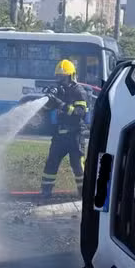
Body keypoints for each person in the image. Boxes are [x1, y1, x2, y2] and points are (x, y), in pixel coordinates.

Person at [40, 59, 89, 199]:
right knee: (51, 163)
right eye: (58, 77)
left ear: (71, 76)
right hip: (59, 135)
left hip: (75, 135)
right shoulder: (59, 91)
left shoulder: (78, 91)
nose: (60, 80)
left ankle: (83, 194)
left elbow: (80, 112)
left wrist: (61, 104)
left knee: (78, 166)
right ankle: (45, 192)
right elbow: (47, 109)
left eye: (63, 77)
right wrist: (49, 100)